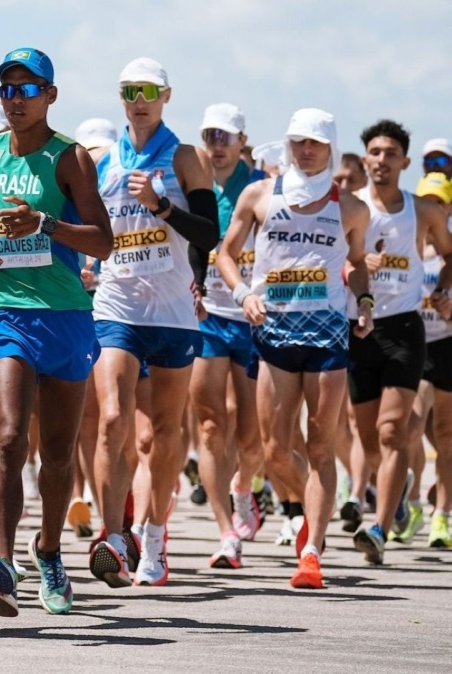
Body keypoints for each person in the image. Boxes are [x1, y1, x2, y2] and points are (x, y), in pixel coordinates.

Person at [0, 48, 113, 616]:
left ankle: (49, 550)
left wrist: (46, 224)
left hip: (66, 317)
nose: (15, 100)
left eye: (28, 90)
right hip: (7, 315)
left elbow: (104, 241)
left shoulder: (69, 158)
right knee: (7, 438)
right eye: (7, 89)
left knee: (56, 451)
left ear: (51, 95)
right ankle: (1, 565)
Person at [218, 107, 372, 589]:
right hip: (274, 333)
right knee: (275, 450)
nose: (305, 150)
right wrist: (243, 294)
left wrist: (364, 301)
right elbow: (225, 253)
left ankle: (311, 552)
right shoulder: (261, 194)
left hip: (327, 335)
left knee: (322, 445)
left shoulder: (349, 206)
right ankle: (313, 510)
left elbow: (358, 262)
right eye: (297, 141)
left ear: (330, 147)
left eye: (315, 143)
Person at [88, 57, 218, 588]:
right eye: (127, 91)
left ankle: (156, 536)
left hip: (173, 312)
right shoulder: (101, 160)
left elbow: (209, 234)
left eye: (146, 90)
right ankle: (115, 534)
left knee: (163, 433)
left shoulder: (185, 156)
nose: (137, 100)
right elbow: (88, 229)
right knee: (113, 419)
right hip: (117, 305)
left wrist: (163, 207)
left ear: (165, 95)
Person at [348, 120, 452, 564]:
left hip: (405, 329)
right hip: (358, 328)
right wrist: (354, 262)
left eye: (391, 153)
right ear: (365, 159)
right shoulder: (346, 210)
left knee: (393, 431)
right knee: (369, 439)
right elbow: (328, 261)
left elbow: (450, 255)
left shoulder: (423, 211)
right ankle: (398, 493)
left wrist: (445, 290)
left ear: (404, 163)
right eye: (375, 152)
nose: (382, 160)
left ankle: (379, 528)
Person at [190, 103, 266, 569]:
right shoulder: (192, 185)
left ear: (242, 141)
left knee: (254, 437)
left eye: (225, 137)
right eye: (209, 136)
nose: (216, 145)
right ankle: (225, 534)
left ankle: (244, 486)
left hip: (253, 316)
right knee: (211, 425)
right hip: (208, 316)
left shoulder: (259, 188)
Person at [413, 171, 452, 548]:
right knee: (408, 426)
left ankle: (442, 515)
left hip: (447, 345)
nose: (433, 208)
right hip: (416, 346)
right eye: (427, 201)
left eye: (440, 202)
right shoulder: (405, 243)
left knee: (444, 436)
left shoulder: (448, 251)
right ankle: (409, 503)